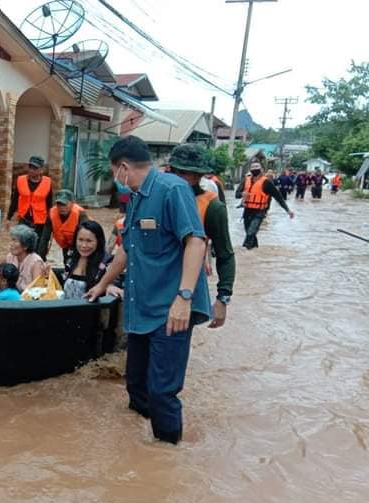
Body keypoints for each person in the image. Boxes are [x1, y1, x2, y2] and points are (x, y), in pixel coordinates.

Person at [85, 135, 212, 445]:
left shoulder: (173, 190)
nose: (116, 180)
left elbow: (195, 241)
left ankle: (167, 454)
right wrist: (101, 285)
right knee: (136, 384)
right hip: (142, 307)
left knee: (162, 391)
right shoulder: (137, 198)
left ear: (123, 168)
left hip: (170, 310)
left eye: (115, 172)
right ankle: (139, 453)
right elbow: (127, 250)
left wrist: (184, 298)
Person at [168, 144, 235, 328]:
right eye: (175, 172)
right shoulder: (154, 197)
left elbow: (225, 255)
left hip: (186, 288)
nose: (178, 178)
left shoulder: (213, 208)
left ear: (199, 176)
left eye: (186, 174)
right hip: (152, 286)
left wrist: (223, 298)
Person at [61, 220, 121, 300]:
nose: (84, 245)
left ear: (98, 242)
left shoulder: (107, 261)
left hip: (91, 310)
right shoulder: (71, 257)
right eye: (80, 240)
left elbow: (113, 281)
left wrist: (110, 286)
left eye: (89, 241)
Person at [242, 162, 295, 250]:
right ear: (251, 171)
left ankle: (246, 251)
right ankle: (254, 250)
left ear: (261, 171)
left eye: (257, 170)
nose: (255, 172)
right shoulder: (246, 180)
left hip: (259, 211)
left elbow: (278, 197)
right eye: (253, 170)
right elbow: (237, 194)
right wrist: (242, 194)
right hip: (247, 210)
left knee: (251, 232)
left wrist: (288, 210)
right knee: (249, 232)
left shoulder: (266, 182)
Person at [8, 155, 53, 258]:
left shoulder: (47, 182)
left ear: (42, 169)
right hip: (24, 218)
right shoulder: (20, 180)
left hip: (40, 221)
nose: (32, 170)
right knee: (21, 244)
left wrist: (50, 220)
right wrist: (9, 217)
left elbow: (49, 203)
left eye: (35, 168)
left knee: (38, 247)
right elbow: (15, 199)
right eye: (30, 167)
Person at [40, 189, 89, 265]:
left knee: (77, 264)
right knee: (66, 263)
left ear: (72, 203)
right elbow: (45, 237)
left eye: (64, 204)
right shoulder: (52, 213)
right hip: (65, 244)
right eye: (59, 204)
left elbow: (85, 237)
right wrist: (41, 257)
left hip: (80, 244)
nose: (61, 207)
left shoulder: (80, 214)